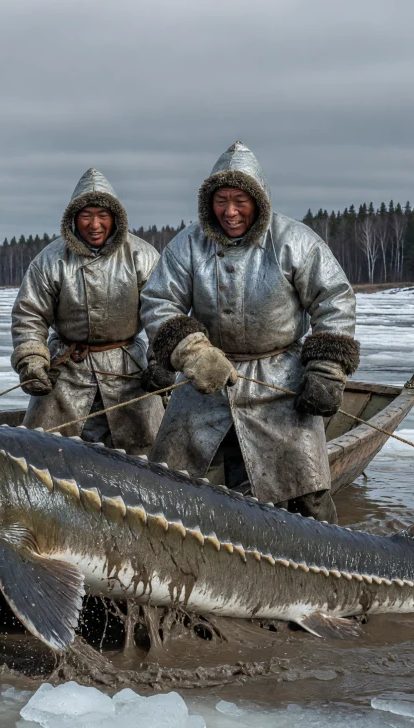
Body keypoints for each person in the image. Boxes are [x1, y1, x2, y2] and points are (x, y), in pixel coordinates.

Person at [140, 142, 359, 522]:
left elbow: (335, 301)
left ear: (258, 200)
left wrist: (326, 371)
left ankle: (330, 568)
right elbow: (159, 301)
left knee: (307, 493)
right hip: (207, 378)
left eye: (239, 200)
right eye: (221, 200)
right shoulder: (188, 245)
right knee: (170, 488)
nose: (230, 211)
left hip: (281, 382)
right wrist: (193, 354)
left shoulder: (295, 241)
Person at [11, 168, 164, 454]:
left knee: (145, 461)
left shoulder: (141, 256)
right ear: (73, 219)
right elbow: (29, 314)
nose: (95, 224)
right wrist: (32, 359)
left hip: (128, 371)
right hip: (66, 372)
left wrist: (160, 363)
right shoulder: (51, 259)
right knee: (46, 458)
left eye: (103, 215)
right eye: (86, 215)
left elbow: (162, 313)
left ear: (116, 218)